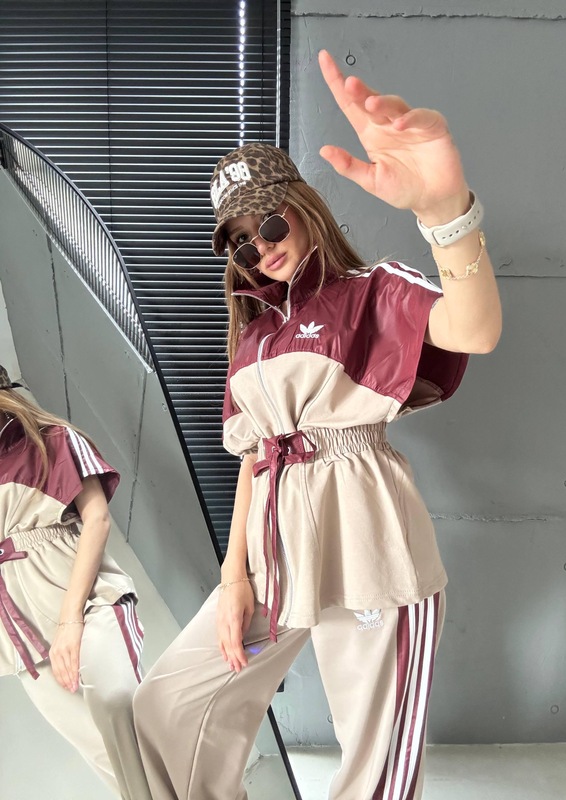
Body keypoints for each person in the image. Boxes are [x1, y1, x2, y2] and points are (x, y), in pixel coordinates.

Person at [133, 49, 502, 800]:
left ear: (303, 207)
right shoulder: (253, 336)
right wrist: (234, 577)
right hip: (273, 545)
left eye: (268, 222)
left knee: (374, 770)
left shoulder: (371, 292)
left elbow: (474, 330)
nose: (260, 246)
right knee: (168, 707)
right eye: (240, 241)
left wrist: (444, 212)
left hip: (365, 533)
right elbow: (254, 454)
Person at [0, 367, 153, 800]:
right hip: (21, 634)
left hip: (86, 602)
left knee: (124, 716)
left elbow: (97, 519)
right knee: (103, 755)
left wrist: (71, 620)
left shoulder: (53, 440)